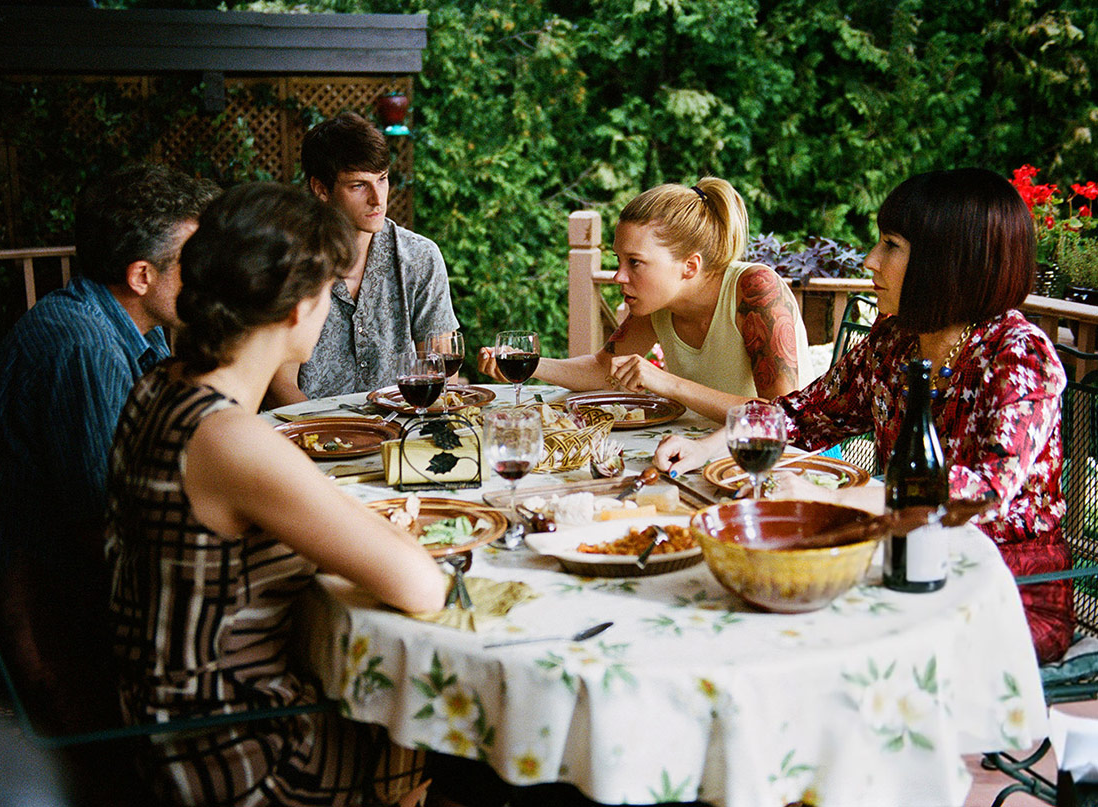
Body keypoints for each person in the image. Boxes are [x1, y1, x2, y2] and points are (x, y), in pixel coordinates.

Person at [106, 182, 447, 807]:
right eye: (329, 291)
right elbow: (420, 586)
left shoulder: (162, 384)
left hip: (153, 725)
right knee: (439, 749)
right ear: (297, 309)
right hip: (230, 758)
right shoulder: (229, 437)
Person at [654, 167, 1072, 663]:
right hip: (894, 559)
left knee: (809, 640)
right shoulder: (894, 339)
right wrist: (709, 445)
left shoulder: (1020, 356)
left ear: (949, 261)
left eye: (891, 245)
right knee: (759, 612)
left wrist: (840, 501)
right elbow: (803, 414)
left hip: (1001, 585)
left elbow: (982, 491)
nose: (871, 259)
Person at [0, 163, 217, 726]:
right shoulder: (83, 346)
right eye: (194, 263)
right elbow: (107, 525)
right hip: (39, 628)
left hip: (54, 594)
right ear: (142, 275)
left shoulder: (118, 329)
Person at [476, 177, 814, 421]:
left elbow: (782, 414)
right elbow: (602, 368)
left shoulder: (755, 289)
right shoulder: (657, 303)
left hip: (786, 463)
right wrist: (530, 364)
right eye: (618, 260)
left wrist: (666, 383)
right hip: (702, 450)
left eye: (635, 262)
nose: (619, 277)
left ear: (689, 266)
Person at [268, 111, 459, 404]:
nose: (378, 198)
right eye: (358, 185)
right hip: (316, 437)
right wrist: (329, 438)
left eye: (382, 179)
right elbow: (281, 386)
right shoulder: (292, 261)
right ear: (321, 189)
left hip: (402, 431)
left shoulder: (419, 257)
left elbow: (443, 373)